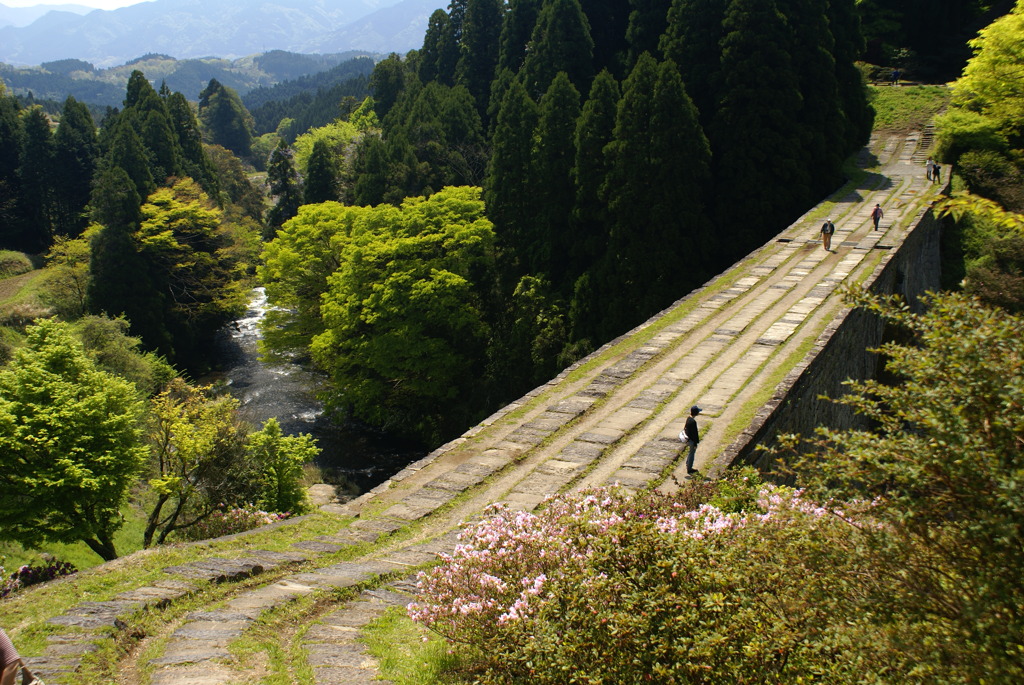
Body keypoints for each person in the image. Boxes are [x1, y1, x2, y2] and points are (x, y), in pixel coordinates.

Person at [680, 405, 702, 475]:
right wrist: (695, 443)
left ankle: (688, 464)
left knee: (690, 453)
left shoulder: (688, 418)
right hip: (692, 440)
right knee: (692, 453)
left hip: (688, 438)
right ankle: (689, 469)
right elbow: (695, 434)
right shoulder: (693, 422)